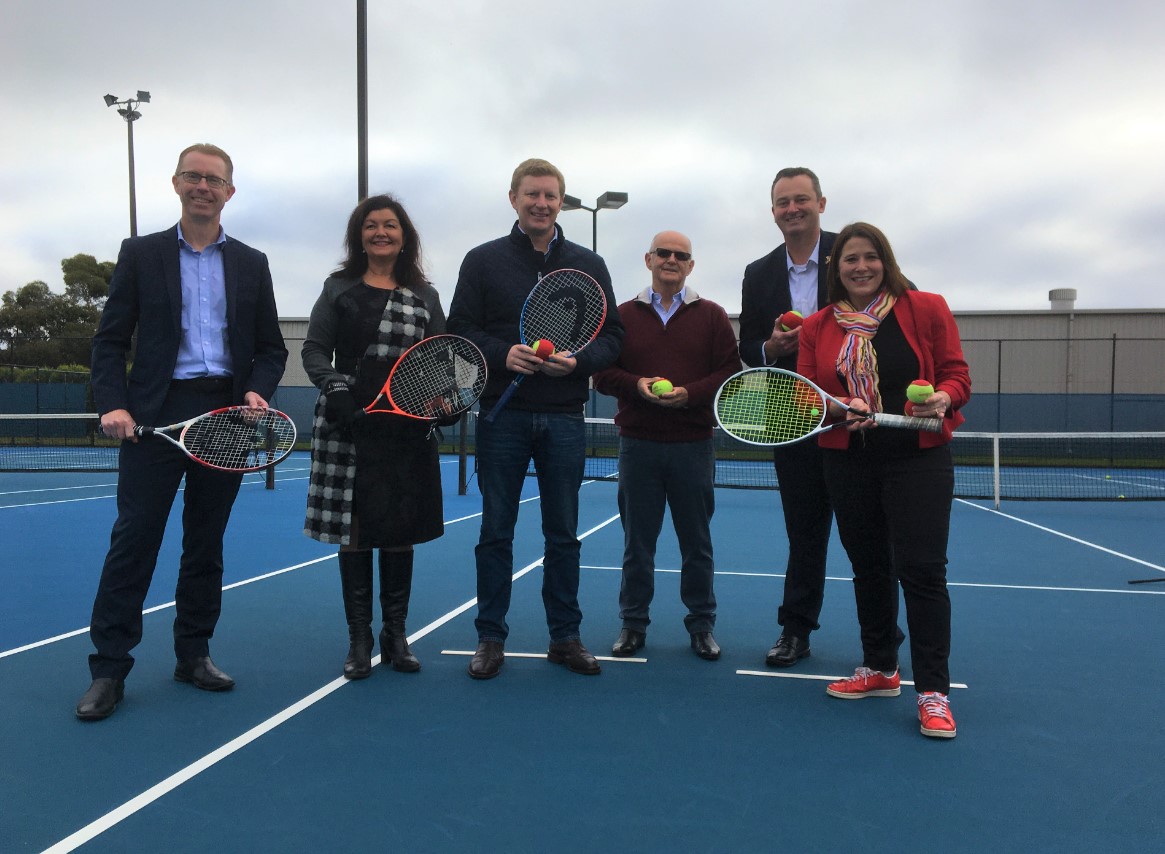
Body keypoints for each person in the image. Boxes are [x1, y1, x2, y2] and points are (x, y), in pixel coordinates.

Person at [76, 143, 287, 721]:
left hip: (225, 417)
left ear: (229, 192)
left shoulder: (252, 261)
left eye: (213, 180)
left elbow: (270, 349)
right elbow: (110, 340)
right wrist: (113, 405)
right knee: (134, 541)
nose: (203, 187)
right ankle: (109, 670)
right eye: (193, 177)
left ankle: (193, 654)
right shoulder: (140, 254)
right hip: (153, 419)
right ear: (176, 184)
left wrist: (257, 391)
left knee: (205, 544)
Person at [447, 158, 624, 679]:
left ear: (560, 201)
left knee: (564, 534)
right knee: (496, 531)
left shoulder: (589, 264)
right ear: (513, 199)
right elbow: (461, 329)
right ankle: (490, 637)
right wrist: (504, 355)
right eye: (532, 195)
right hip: (503, 417)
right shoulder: (481, 261)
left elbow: (613, 337)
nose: (541, 204)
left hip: (565, 417)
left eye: (550, 196)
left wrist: (578, 362)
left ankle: (565, 637)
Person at [798, 221, 970, 738]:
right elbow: (808, 397)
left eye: (870, 256)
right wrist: (839, 409)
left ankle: (933, 692)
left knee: (921, 571)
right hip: (850, 459)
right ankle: (880, 668)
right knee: (869, 567)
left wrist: (944, 396)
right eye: (850, 259)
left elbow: (957, 375)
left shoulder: (927, 308)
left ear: (886, 260)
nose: (861, 266)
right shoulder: (817, 326)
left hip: (918, 458)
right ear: (836, 268)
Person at [302, 194, 450, 679]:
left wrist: (442, 401)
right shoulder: (338, 288)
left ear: (404, 235)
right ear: (358, 235)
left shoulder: (425, 295)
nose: (380, 232)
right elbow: (315, 350)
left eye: (390, 225)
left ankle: (396, 635)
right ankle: (360, 638)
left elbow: (442, 361)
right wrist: (337, 390)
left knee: (400, 531)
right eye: (371, 225)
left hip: (407, 429)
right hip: (351, 425)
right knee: (357, 534)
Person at [592, 231, 740, 661]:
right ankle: (633, 624)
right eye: (664, 253)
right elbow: (602, 373)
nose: (671, 260)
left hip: (693, 445)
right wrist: (637, 386)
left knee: (697, 543)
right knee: (637, 543)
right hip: (638, 446)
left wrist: (690, 394)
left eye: (681, 255)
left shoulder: (713, 316)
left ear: (691, 265)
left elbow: (727, 375)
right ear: (648, 259)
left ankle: (701, 626)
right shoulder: (622, 314)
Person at [737, 167, 837, 668]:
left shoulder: (856, 256)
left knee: (874, 534)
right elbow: (747, 345)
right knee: (804, 532)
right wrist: (769, 347)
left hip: (850, 416)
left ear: (821, 203)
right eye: (783, 202)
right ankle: (796, 631)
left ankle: (882, 642)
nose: (792, 209)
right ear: (773, 211)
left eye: (802, 199)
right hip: (791, 418)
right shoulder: (758, 273)